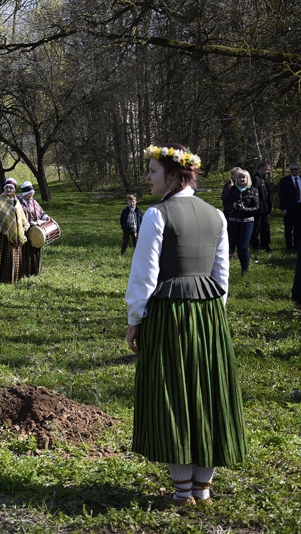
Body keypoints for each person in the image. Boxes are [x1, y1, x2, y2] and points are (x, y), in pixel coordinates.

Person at [126, 143, 247, 507]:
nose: (147, 178)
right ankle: (202, 489)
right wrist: (211, 315)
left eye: (152, 171)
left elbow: (145, 275)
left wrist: (135, 319)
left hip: (170, 316)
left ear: (175, 175)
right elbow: (220, 277)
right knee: (207, 395)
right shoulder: (217, 216)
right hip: (209, 315)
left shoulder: (156, 215)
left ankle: (182, 493)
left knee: (175, 396)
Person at [0, 178, 29, 283]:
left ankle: (14, 278)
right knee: (4, 256)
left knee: (14, 257)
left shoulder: (17, 202)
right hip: (2, 235)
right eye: (7, 187)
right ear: (4, 188)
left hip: (16, 235)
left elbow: (21, 220)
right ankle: (0, 279)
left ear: (14, 190)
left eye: (11, 188)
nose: (9, 190)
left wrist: (22, 233)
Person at [223, 169, 259, 274]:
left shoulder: (253, 190)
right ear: (236, 179)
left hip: (247, 221)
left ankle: (245, 269)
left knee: (244, 246)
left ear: (247, 179)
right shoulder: (233, 189)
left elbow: (256, 207)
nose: (242, 179)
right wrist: (233, 205)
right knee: (238, 246)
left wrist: (245, 209)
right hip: (233, 221)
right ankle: (242, 266)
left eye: (244, 177)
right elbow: (225, 202)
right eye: (240, 177)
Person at [18, 181, 50, 276]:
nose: (30, 196)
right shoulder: (17, 201)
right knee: (25, 252)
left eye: (31, 194)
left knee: (36, 249)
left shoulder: (33, 201)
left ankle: (35, 272)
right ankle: (24, 272)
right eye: (28, 194)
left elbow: (41, 213)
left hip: (36, 230)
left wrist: (46, 218)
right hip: (24, 231)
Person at [278, 162, 301, 252]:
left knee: (298, 228)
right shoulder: (284, 180)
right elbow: (282, 195)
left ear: (299, 169)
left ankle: (297, 245)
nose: (294, 171)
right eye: (292, 169)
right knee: (288, 228)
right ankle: (289, 246)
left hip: (300, 207)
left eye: (296, 169)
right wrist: (283, 208)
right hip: (289, 208)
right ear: (289, 170)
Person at [250, 161, 273, 251]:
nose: (268, 171)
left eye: (269, 170)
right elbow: (254, 194)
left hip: (264, 208)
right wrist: (257, 206)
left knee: (265, 227)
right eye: (266, 169)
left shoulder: (262, 179)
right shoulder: (255, 179)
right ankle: (255, 245)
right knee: (256, 227)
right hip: (258, 209)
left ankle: (265, 244)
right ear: (260, 168)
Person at [222, 167, 241, 257]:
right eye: (236, 175)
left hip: (238, 213)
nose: (238, 177)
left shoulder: (240, 185)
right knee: (230, 232)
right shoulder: (229, 185)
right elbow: (224, 197)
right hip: (229, 212)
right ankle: (230, 251)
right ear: (233, 175)